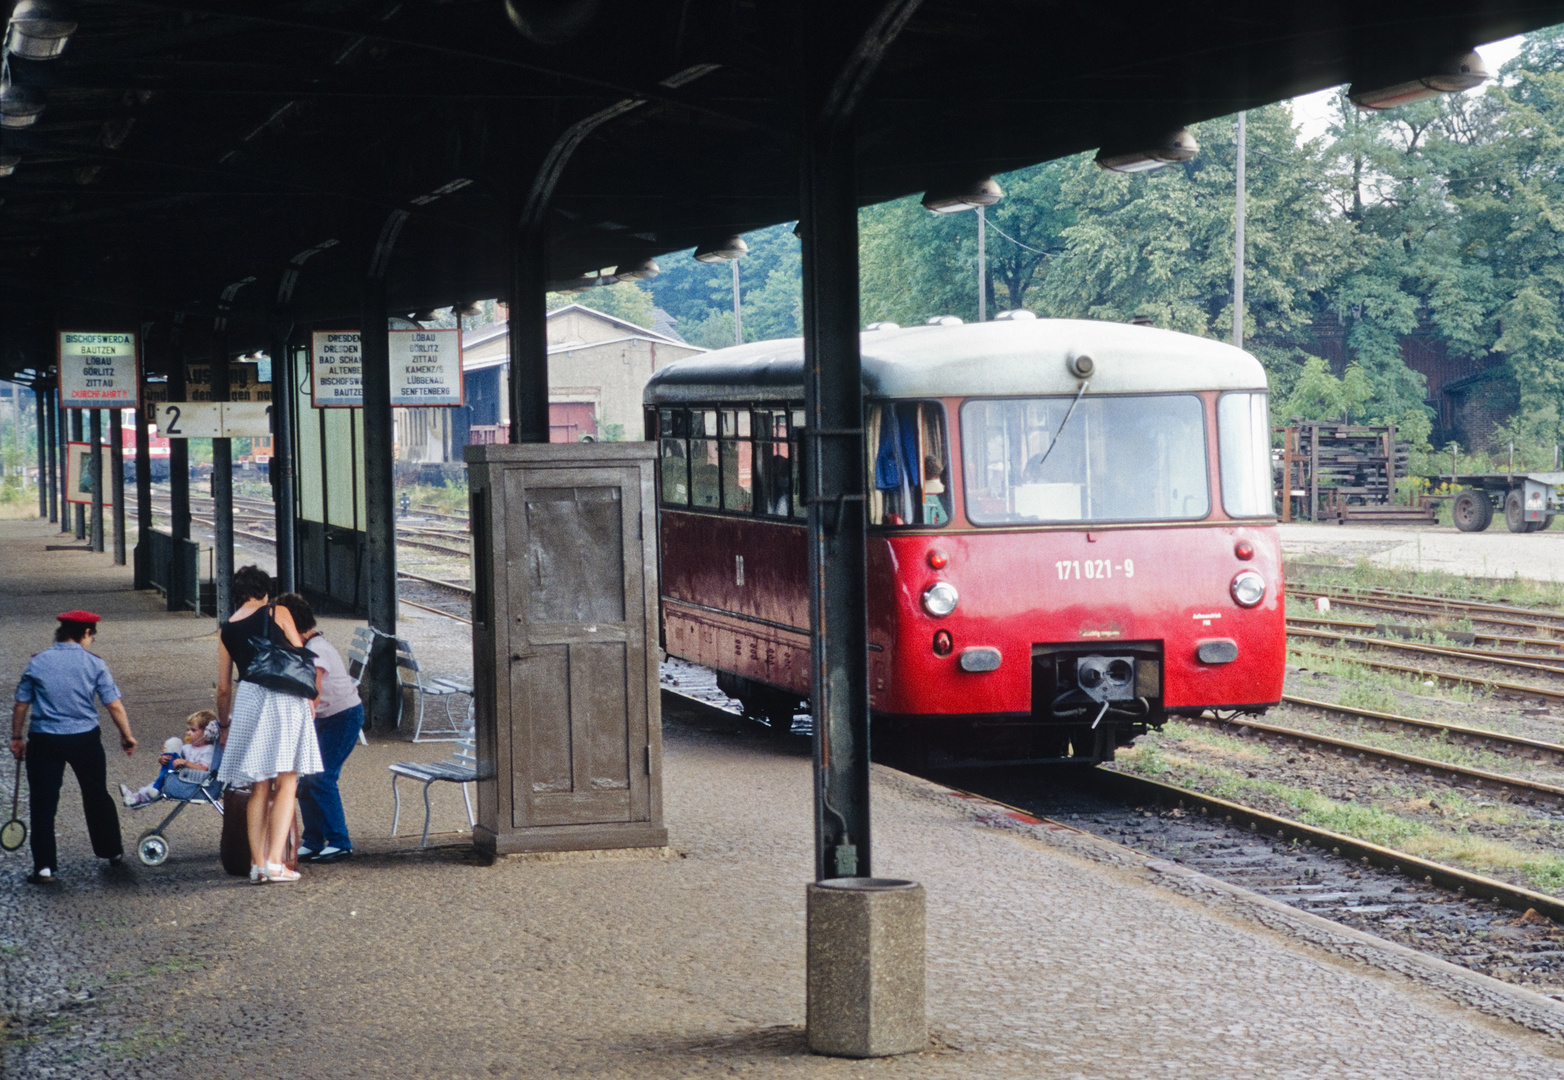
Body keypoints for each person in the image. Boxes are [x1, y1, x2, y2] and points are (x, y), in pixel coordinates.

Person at [9, 610, 139, 885]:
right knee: (96, 795)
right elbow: (113, 704)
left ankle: (44, 867)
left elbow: (21, 704)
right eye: (92, 636)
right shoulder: (94, 664)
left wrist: (17, 737)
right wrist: (126, 735)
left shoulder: (37, 662)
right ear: (86, 633)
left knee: (43, 803)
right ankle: (111, 851)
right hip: (84, 739)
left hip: (45, 740)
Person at [215, 566, 322, 884]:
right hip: (283, 696)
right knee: (287, 779)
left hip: (249, 698)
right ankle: (276, 862)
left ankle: (258, 864)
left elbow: (223, 687)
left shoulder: (226, 629)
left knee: (258, 784)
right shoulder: (278, 611)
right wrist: (309, 699)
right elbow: (300, 656)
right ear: (265, 593)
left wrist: (223, 725)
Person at [276, 593, 360, 863]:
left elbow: (314, 692)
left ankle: (340, 841)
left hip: (342, 717)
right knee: (308, 779)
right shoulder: (307, 645)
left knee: (322, 777)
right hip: (327, 718)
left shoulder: (317, 650)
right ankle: (313, 840)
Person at [120, 710, 218, 807]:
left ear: (207, 734)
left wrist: (185, 763)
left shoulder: (208, 750)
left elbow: (204, 769)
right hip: (183, 778)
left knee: (162, 784)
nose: (188, 733)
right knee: (162, 779)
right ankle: (135, 797)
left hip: (194, 783)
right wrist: (163, 758)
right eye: (187, 729)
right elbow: (175, 757)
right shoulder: (188, 747)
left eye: (193, 730)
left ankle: (136, 798)